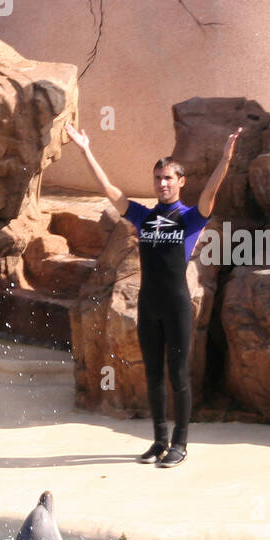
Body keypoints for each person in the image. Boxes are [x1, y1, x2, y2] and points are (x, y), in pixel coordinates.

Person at [65, 121, 240, 467]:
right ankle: (159, 440)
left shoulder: (191, 218)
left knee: (177, 374)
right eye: (158, 178)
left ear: (180, 182)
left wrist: (225, 159)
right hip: (149, 305)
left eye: (168, 178)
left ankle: (181, 444)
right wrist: (86, 150)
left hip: (176, 306)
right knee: (154, 375)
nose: (162, 183)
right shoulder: (144, 218)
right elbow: (111, 191)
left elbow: (211, 195)